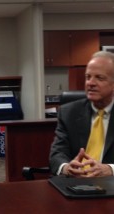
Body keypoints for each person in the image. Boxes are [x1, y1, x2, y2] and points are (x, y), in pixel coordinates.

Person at [49, 50, 114, 178]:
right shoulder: (69, 113)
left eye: (99, 78)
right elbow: (57, 154)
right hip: (75, 185)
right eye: (88, 77)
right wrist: (67, 167)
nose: (91, 83)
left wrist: (110, 169)